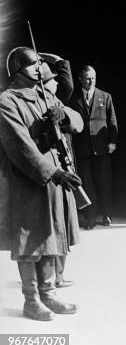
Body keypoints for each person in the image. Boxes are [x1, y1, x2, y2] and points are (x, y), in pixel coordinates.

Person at [0, 46, 83, 320]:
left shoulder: (44, 95)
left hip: (51, 179)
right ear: (16, 69)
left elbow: (79, 122)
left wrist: (64, 116)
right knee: (28, 240)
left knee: (49, 234)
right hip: (27, 180)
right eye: (31, 64)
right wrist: (54, 173)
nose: (38, 68)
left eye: (39, 63)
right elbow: (19, 146)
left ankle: (48, 293)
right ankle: (31, 299)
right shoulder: (7, 101)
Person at [38, 52, 77, 288]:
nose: (57, 82)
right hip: (51, 170)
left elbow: (67, 84)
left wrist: (57, 59)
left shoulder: (56, 100)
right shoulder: (38, 103)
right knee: (54, 225)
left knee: (66, 224)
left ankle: (60, 276)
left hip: (65, 165)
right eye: (53, 79)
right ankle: (51, 278)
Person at [68, 65, 117, 229]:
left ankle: (106, 214)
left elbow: (112, 121)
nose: (91, 81)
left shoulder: (105, 96)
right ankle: (90, 218)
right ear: (80, 79)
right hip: (82, 147)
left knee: (104, 181)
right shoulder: (73, 98)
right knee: (87, 183)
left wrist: (112, 142)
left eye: (93, 78)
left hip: (102, 146)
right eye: (87, 78)